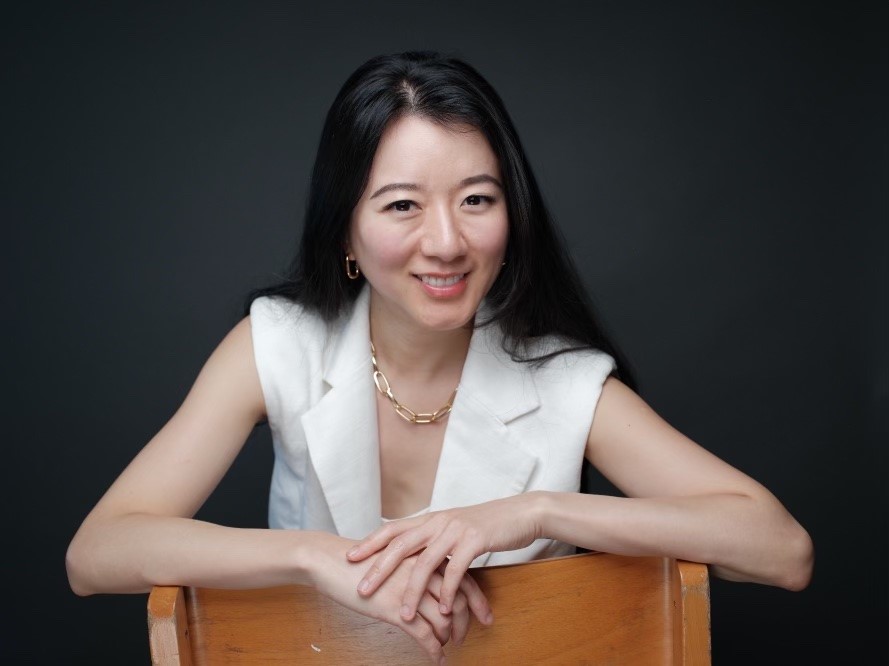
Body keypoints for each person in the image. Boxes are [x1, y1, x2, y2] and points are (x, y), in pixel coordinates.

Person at [66, 51, 814, 664]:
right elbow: (97, 553)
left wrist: (531, 513)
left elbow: (782, 551)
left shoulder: (564, 381)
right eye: (402, 205)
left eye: (476, 199)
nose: (448, 242)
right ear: (344, 231)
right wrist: (311, 556)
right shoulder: (280, 343)